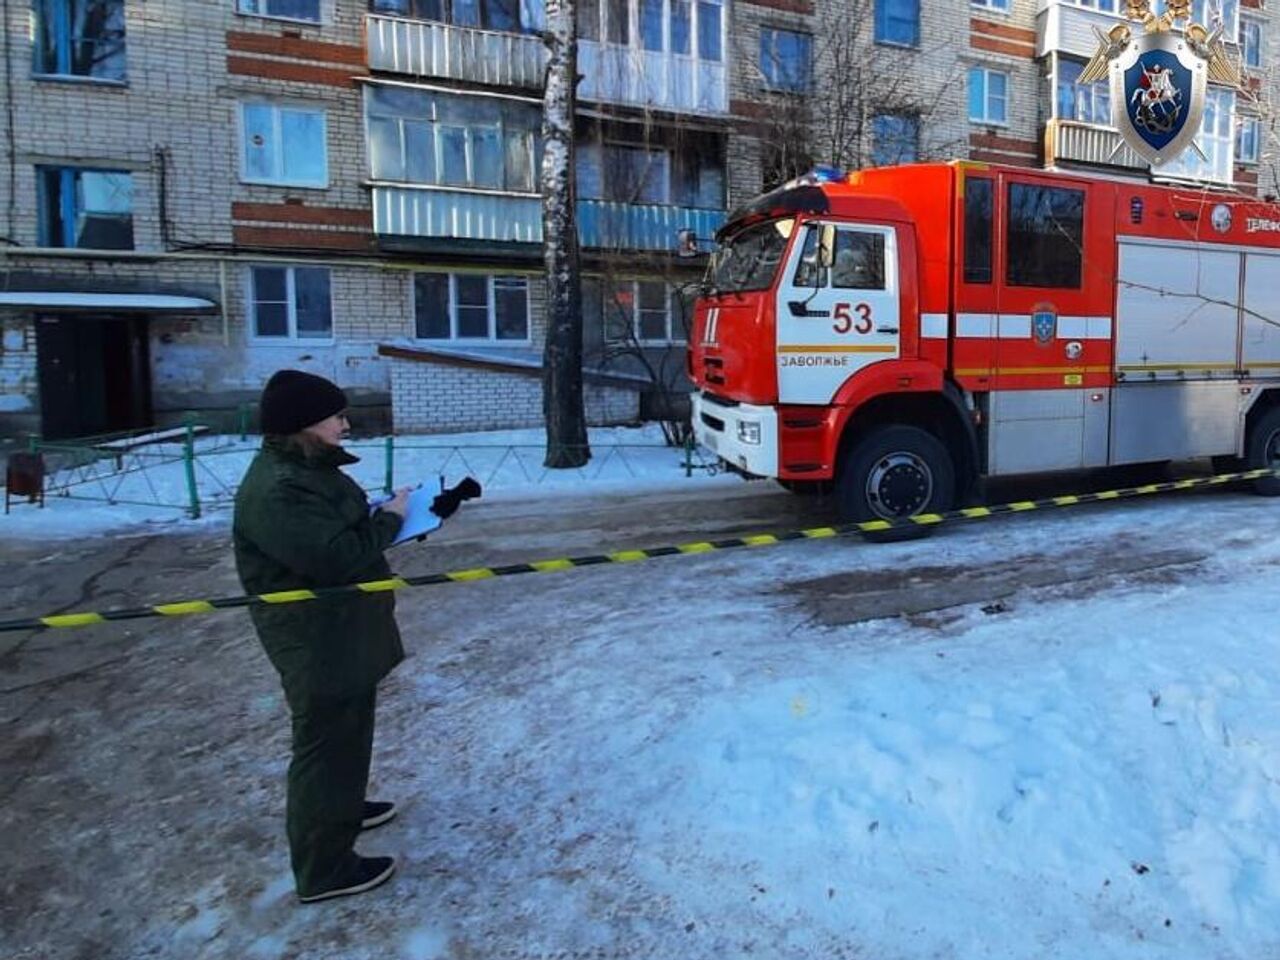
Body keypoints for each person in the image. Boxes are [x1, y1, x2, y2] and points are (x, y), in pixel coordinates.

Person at [233, 369, 479, 903]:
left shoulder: (307, 470)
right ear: (305, 423)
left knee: (349, 730)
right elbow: (335, 556)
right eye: (336, 416)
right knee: (324, 744)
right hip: (316, 637)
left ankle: (341, 808)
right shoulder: (279, 489)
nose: (346, 424)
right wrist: (390, 521)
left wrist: (395, 509)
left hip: (340, 629)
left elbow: (337, 530)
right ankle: (324, 869)